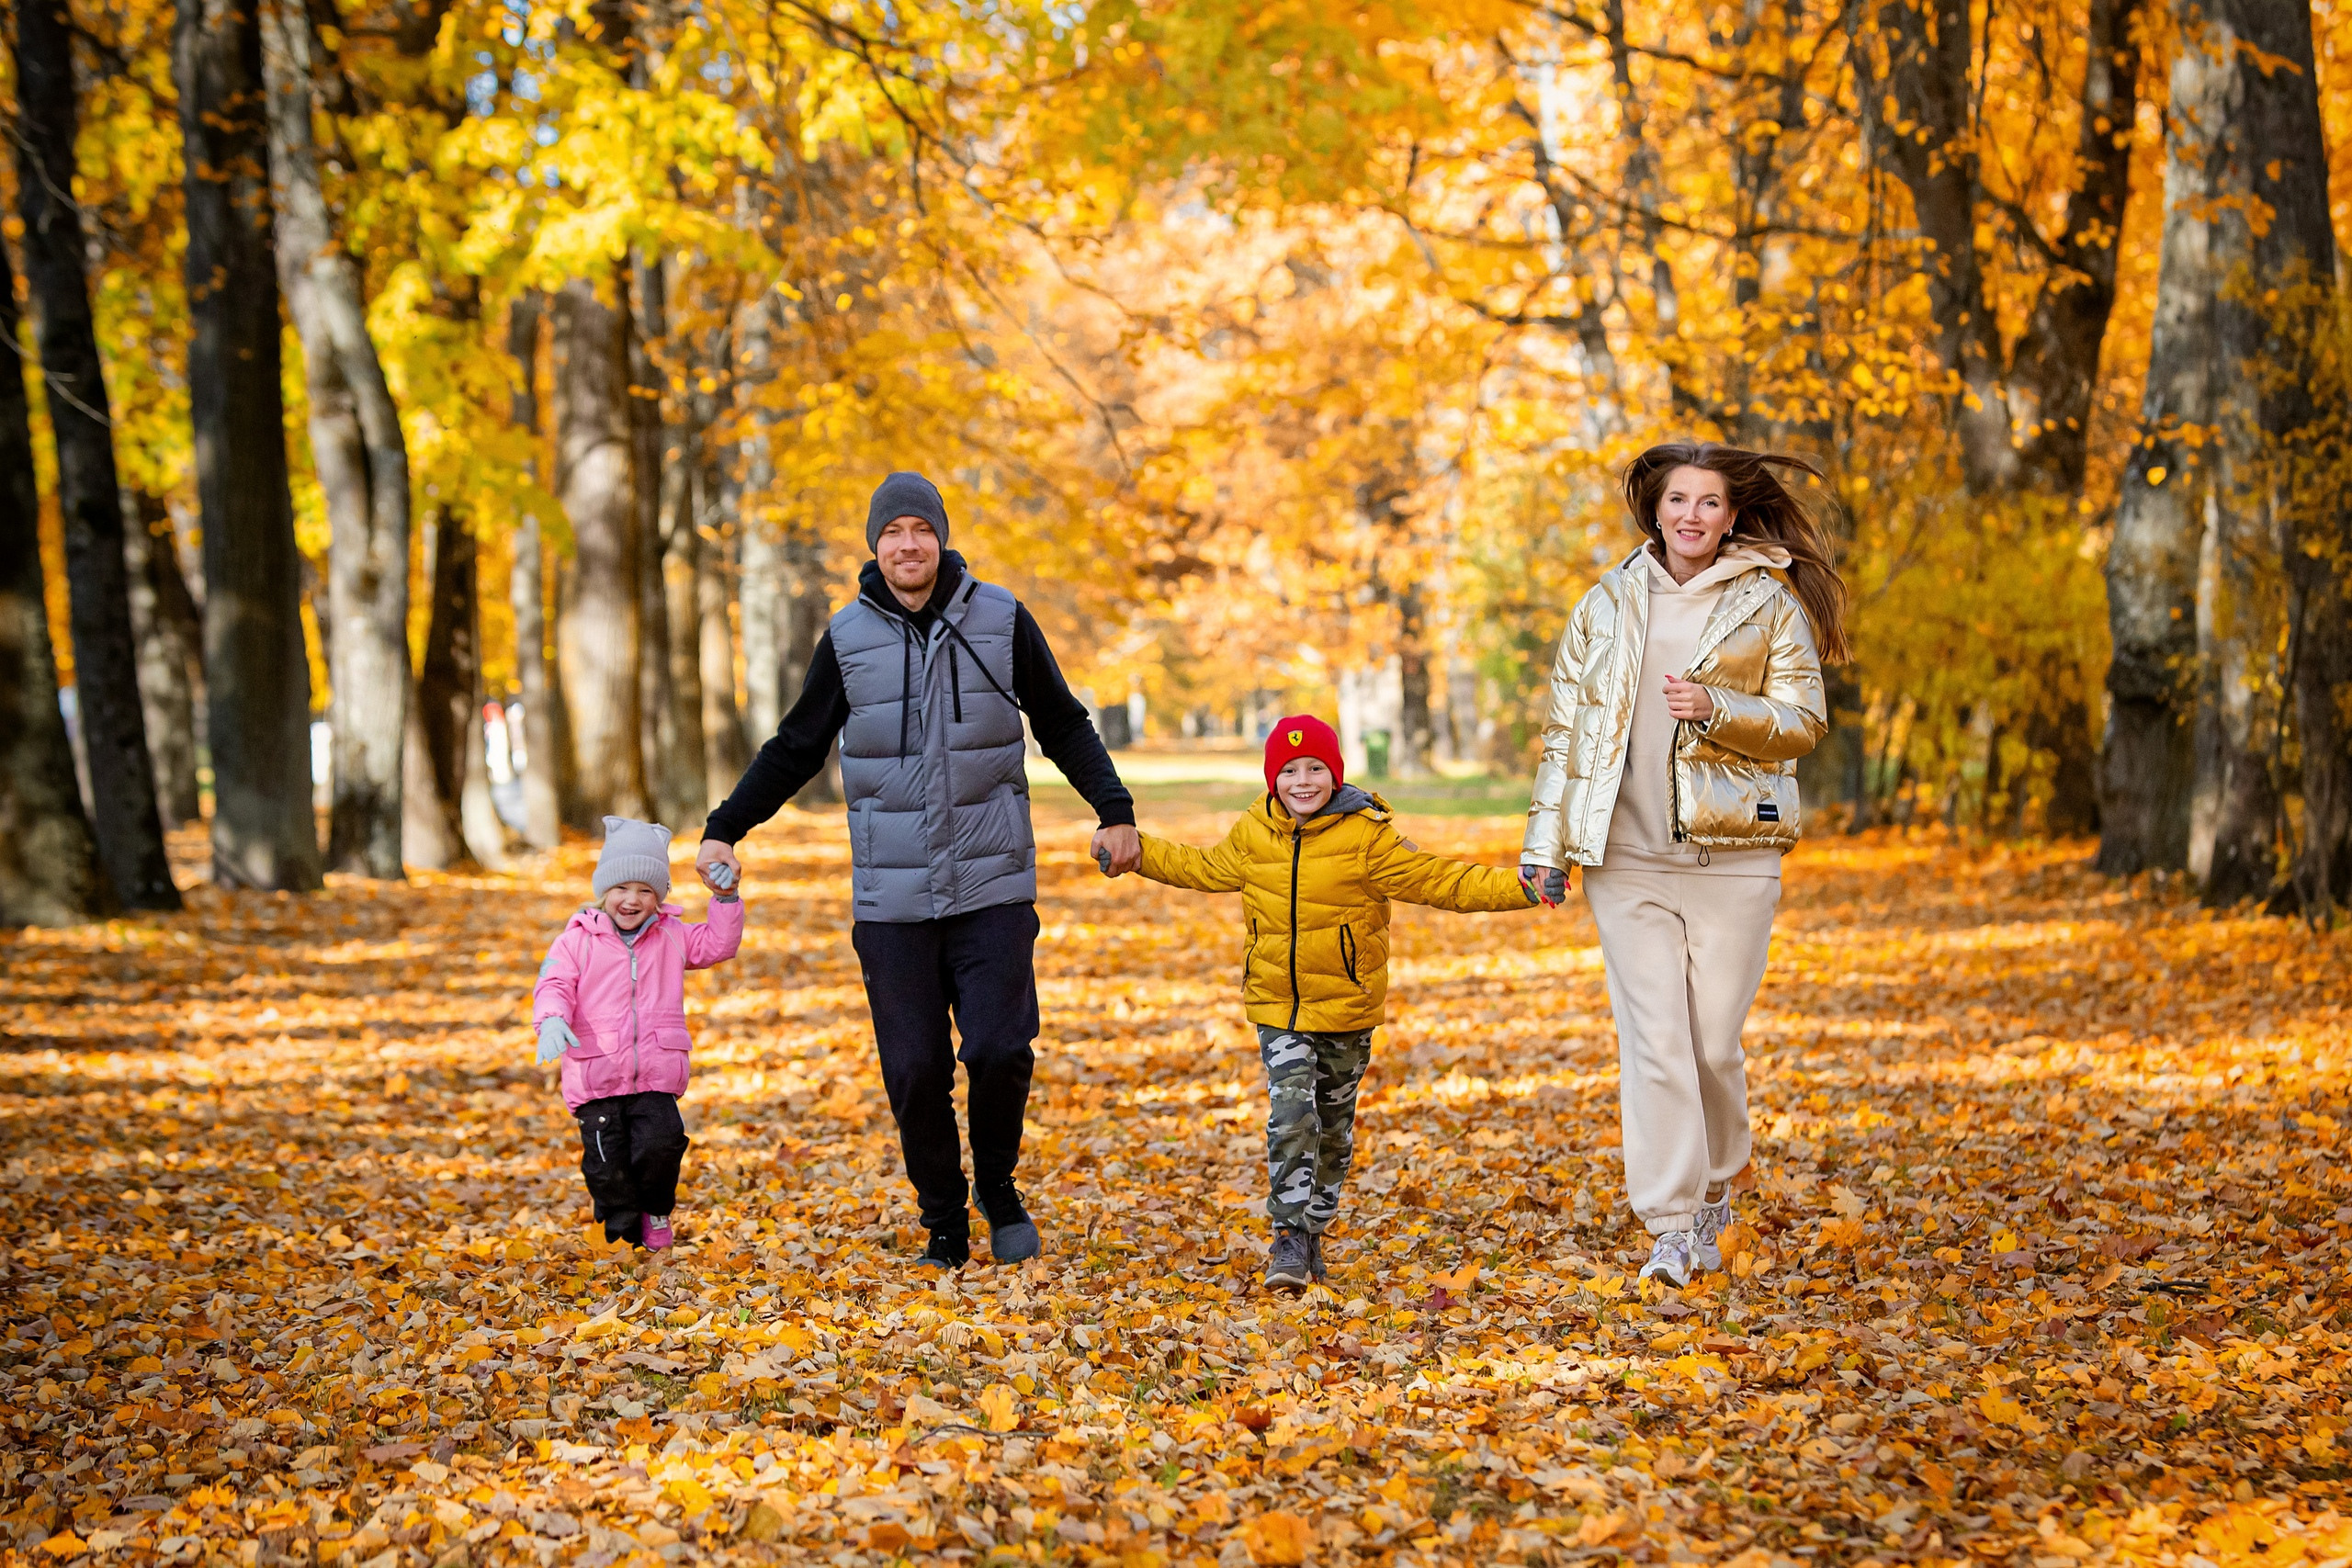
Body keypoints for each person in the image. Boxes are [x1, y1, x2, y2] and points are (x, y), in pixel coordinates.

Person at [695, 472, 1140, 1271]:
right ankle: (944, 1217)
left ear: (940, 538)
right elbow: (796, 745)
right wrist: (726, 827)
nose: (908, 544)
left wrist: (1115, 808)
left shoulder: (1001, 619)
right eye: (892, 531)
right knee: (913, 1069)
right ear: (875, 545)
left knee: (1001, 1048)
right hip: (892, 898)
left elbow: (1061, 719)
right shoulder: (847, 637)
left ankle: (997, 1189)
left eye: (920, 529)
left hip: (992, 881)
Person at [1520, 440, 1849, 1289]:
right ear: (1655, 510)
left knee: (1710, 1044)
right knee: (1657, 1042)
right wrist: (1544, 848)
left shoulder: (1765, 606)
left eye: (1709, 502)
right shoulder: (1604, 605)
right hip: (1624, 859)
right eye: (1677, 501)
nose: (1691, 516)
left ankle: (1719, 1178)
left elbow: (1804, 720)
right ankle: (1672, 1223)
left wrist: (1716, 708)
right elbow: (1567, 735)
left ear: (1732, 515)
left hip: (1733, 854)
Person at [1118, 716, 1537, 1290]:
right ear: (1273, 779)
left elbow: (1443, 881)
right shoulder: (1253, 834)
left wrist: (1521, 886)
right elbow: (1199, 866)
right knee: (1293, 1116)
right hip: (1278, 1007)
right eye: (1288, 771)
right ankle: (1288, 1239)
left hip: (1346, 1007)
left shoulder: (1367, 836)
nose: (1302, 781)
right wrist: (1136, 852)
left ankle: (1314, 1226)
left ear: (1335, 774)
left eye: (1315, 768)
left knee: (1334, 1128)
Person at [533, 817, 744, 1250]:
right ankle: (620, 1235)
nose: (632, 900)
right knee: (606, 1165)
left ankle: (656, 1212)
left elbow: (718, 945)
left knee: (662, 1147)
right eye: (622, 889)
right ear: (603, 892)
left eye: (646, 890)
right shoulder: (576, 941)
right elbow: (553, 984)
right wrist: (552, 1019)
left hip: (656, 1071)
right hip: (597, 1075)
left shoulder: (671, 936)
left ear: (660, 897)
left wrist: (726, 899)